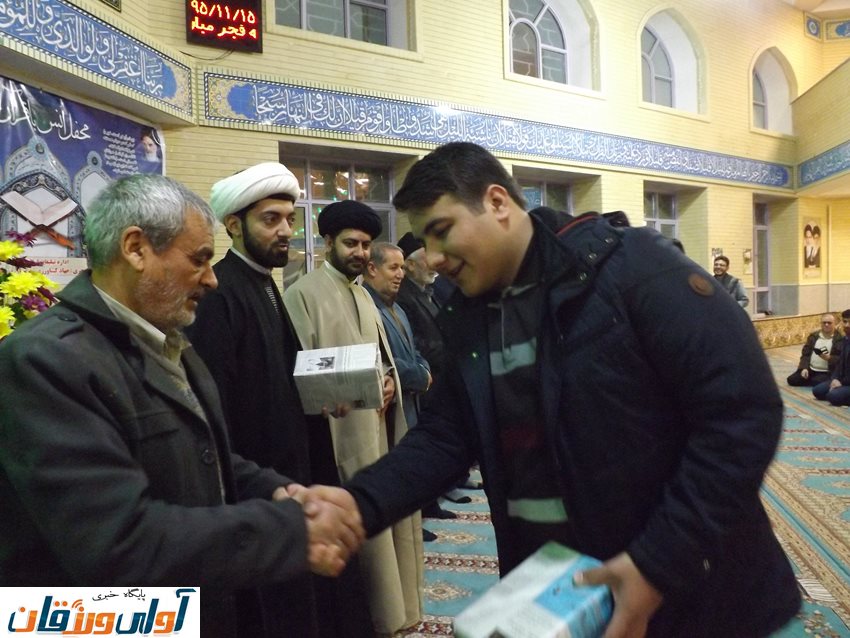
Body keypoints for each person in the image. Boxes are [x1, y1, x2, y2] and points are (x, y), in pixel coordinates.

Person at [336, 142, 800, 637]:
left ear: (497, 202)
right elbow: (447, 435)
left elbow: (741, 413)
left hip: (699, 597)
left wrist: (657, 562)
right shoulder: (471, 315)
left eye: (442, 230)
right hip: (565, 599)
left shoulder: (629, 269)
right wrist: (359, 504)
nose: (431, 257)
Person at [0, 174, 364, 638]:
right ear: (136, 249)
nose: (211, 278)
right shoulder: (45, 360)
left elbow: (200, 453)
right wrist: (288, 530)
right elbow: (118, 542)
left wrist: (279, 490)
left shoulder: (168, 341)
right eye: (199, 259)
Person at [185, 163, 372, 638]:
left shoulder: (266, 283)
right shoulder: (220, 293)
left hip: (291, 474)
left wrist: (320, 396)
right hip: (258, 487)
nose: (286, 230)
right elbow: (218, 409)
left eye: (290, 219)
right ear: (234, 225)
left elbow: (278, 380)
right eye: (271, 219)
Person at [282, 200, 424, 636]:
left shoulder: (364, 294)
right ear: (327, 242)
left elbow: (382, 359)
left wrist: (388, 381)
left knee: (388, 527)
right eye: (351, 244)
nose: (360, 253)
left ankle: (394, 614)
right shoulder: (302, 294)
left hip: (378, 430)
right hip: (339, 437)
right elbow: (298, 372)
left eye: (365, 245)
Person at [786, 313, 842, 387]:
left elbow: (841, 360)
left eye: (829, 323)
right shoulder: (813, 336)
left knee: (816, 381)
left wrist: (829, 358)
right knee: (791, 380)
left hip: (826, 371)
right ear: (821, 323)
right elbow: (805, 354)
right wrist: (804, 368)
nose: (826, 325)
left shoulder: (840, 339)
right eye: (824, 322)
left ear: (835, 324)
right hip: (810, 369)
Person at [813, 309, 850, 406]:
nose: (847, 325)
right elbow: (840, 364)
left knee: (833, 396)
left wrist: (841, 382)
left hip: (847, 381)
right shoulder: (845, 339)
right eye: (845, 321)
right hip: (843, 379)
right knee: (818, 391)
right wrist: (835, 378)